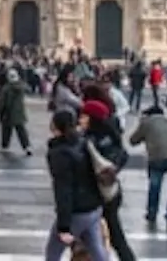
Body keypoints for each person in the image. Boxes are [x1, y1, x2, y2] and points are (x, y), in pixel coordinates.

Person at [44, 109, 108, 261]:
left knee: (52, 253)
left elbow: (63, 189)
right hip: (94, 207)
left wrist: (64, 226)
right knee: (96, 250)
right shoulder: (83, 142)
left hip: (77, 212)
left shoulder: (59, 153)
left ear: (55, 126)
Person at [79, 100, 136, 261]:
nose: (80, 119)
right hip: (109, 193)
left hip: (99, 194)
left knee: (107, 236)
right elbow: (122, 156)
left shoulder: (94, 139)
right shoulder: (108, 135)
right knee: (109, 236)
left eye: (84, 116)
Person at [129, 105, 167, 230]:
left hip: (157, 158)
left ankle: (152, 213)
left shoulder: (147, 122)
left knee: (155, 187)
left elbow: (133, 140)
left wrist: (141, 126)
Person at [0, 68, 32, 155]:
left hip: (8, 113)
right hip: (19, 113)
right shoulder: (22, 86)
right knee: (21, 131)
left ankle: (5, 146)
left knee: (6, 130)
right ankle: (26, 147)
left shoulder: (6, 88)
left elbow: (2, 103)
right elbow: (29, 89)